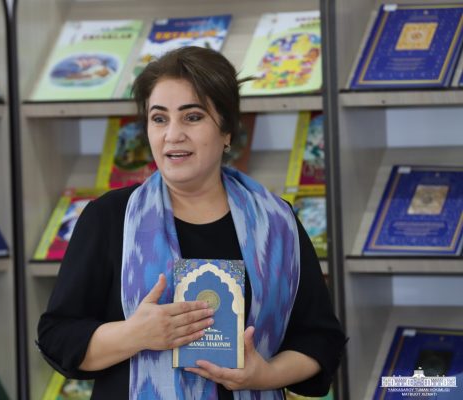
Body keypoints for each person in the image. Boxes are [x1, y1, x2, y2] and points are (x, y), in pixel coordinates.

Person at [37, 46, 346, 400]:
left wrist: (265, 374)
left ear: (227, 130)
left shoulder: (277, 222)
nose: (173, 134)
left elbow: (321, 339)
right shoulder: (109, 218)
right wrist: (135, 334)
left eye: (192, 117)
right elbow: (58, 337)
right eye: (159, 119)